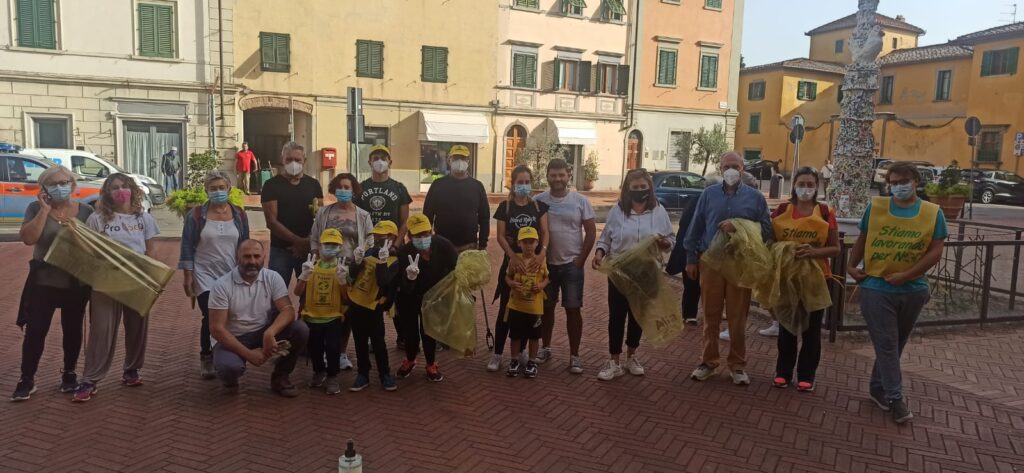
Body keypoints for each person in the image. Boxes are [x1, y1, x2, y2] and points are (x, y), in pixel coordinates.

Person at [847, 162, 946, 424]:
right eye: (893, 182)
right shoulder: (876, 207)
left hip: (913, 290)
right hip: (876, 286)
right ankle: (895, 398)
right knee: (888, 343)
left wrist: (907, 275)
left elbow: (936, 250)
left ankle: (877, 388)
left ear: (915, 182)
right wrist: (851, 266)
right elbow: (863, 238)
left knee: (895, 343)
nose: (898, 186)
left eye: (903, 181)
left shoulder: (932, 213)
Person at [684, 151, 772, 386]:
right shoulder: (709, 194)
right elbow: (696, 225)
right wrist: (691, 258)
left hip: (739, 264)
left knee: (738, 317)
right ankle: (708, 362)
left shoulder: (755, 198)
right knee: (710, 315)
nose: (731, 170)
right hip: (710, 262)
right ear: (720, 168)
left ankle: (737, 365)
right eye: (726, 166)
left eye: (735, 166)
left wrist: (739, 226)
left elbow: (766, 230)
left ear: (743, 169)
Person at [73, 174, 160, 402]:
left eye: (124, 186)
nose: (120, 191)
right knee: (101, 329)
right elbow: (89, 251)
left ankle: (132, 369)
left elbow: (151, 250)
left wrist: (151, 279)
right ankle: (90, 379)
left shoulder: (144, 218)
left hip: (137, 279)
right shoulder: (97, 218)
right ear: (107, 193)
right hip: (106, 282)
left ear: (132, 189)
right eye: (114, 188)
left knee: (137, 326)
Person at [11, 166, 94, 401]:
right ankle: (27, 378)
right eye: (53, 184)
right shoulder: (35, 208)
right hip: (44, 281)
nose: (59, 187)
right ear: (44, 189)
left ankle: (69, 373)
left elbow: (95, 245)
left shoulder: (86, 211)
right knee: (36, 330)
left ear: (73, 185)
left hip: (75, 281)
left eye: (63, 182)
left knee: (72, 329)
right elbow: (28, 239)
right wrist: (44, 211)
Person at [593, 169, 674, 381]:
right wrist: (599, 253)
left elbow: (671, 240)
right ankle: (614, 361)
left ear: (650, 188)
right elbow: (605, 238)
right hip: (620, 271)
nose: (639, 190)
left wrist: (664, 243)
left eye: (643, 187)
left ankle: (632, 356)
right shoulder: (618, 211)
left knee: (638, 315)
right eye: (635, 187)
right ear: (627, 189)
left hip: (646, 271)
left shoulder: (659, 211)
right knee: (617, 316)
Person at [769, 167, 840, 393]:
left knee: (811, 330)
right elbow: (769, 241)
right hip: (787, 278)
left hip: (817, 279)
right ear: (794, 185)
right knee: (786, 327)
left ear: (817, 187)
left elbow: (835, 248)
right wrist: (784, 249)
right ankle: (783, 372)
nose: (806, 188)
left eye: (810, 184)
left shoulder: (825, 212)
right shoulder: (782, 210)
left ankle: (806, 375)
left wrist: (813, 252)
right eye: (802, 183)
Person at [209, 240, 309, 396]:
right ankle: (230, 379)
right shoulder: (221, 285)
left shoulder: (272, 277)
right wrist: (249, 355)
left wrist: (270, 333)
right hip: (234, 337)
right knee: (229, 368)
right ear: (237, 258)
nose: (252, 261)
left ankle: (280, 377)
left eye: (256, 256)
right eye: (247, 256)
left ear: (264, 257)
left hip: (262, 331)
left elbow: (288, 310)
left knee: (300, 329)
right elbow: (217, 329)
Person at [179, 171, 250, 380]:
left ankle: (229, 352)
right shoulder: (196, 215)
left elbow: (245, 244)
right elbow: (187, 245)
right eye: (213, 188)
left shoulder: (239, 214)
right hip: (204, 274)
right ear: (206, 191)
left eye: (221, 188)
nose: (218, 192)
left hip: (231, 273)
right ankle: (207, 355)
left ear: (229, 189)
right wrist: (188, 276)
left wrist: (247, 272)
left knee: (231, 315)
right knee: (211, 315)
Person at [534, 158, 595, 374]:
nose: (557, 179)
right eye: (553, 175)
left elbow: (591, 232)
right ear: (547, 176)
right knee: (546, 309)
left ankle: (574, 356)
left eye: (561, 175)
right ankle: (545, 348)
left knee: (573, 310)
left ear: (568, 175)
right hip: (547, 266)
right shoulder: (538, 201)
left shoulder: (580, 201)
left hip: (571, 266)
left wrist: (580, 260)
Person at [486, 165, 549, 372]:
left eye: (527, 182)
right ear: (513, 184)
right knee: (507, 309)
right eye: (520, 182)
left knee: (527, 310)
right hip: (513, 264)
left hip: (533, 264)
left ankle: (521, 352)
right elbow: (500, 236)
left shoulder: (539, 207)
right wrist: (512, 256)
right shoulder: (505, 207)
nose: (523, 185)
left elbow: (545, 233)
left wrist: (541, 254)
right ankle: (497, 354)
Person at [310, 173, 373, 371]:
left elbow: (370, 240)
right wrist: (316, 260)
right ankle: (324, 350)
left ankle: (342, 353)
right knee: (327, 309)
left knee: (346, 312)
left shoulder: (363, 215)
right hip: (327, 268)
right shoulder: (324, 213)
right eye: (340, 187)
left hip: (352, 269)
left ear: (354, 190)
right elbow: (314, 238)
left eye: (347, 187)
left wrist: (363, 254)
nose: (343, 190)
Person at [357, 145, 412, 347]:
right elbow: (358, 220)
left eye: (384, 157)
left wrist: (395, 245)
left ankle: (403, 336)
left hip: (394, 249)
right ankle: (374, 338)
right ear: (369, 162)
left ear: (390, 162)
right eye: (376, 157)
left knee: (397, 294)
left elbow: (405, 222)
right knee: (372, 292)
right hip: (371, 249)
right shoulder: (361, 188)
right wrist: (365, 247)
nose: (380, 161)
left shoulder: (399, 188)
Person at [395, 213, 458, 382]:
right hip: (409, 298)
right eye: (417, 235)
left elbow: (456, 268)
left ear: (431, 232)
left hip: (433, 296)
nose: (423, 238)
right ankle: (410, 359)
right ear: (410, 236)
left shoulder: (443, 245)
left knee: (429, 331)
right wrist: (409, 278)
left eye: (426, 234)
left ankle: (431, 364)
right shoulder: (405, 252)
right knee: (410, 332)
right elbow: (402, 286)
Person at [346, 221, 401, 392]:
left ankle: (384, 374)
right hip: (356, 302)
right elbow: (353, 274)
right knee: (359, 340)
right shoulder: (369, 251)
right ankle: (363, 373)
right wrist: (356, 261)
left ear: (391, 237)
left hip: (374, 307)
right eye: (376, 236)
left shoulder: (395, 261)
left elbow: (383, 282)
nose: (377, 239)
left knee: (378, 342)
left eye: (381, 237)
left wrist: (382, 261)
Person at [294, 229, 350, 395]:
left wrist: (342, 281)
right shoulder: (311, 266)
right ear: (319, 246)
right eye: (327, 244)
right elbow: (297, 292)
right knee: (314, 348)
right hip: (312, 317)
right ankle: (319, 371)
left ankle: (332, 376)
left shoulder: (341, 269)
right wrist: (304, 276)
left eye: (334, 244)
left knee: (333, 347)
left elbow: (346, 297)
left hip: (333, 317)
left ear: (340, 247)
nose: (330, 247)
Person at [262, 141, 323, 286]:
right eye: (289, 159)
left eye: (297, 159)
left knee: (309, 292)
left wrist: (308, 241)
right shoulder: (271, 185)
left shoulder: (314, 185)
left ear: (304, 161)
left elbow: (321, 217)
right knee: (276, 291)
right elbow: (271, 221)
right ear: (282, 159)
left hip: (309, 249)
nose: (293, 163)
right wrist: (298, 242)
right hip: (281, 249)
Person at [422, 145, 489, 253]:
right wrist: (426, 241)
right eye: (456, 158)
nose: (459, 161)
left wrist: (482, 244)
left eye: (463, 158)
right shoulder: (438, 185)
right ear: (449, 160)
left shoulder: (477, 186)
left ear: (468, 161)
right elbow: (427, 215)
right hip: (441, 246)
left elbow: (484, 217)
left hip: (469, 247)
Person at [504, 227, 549, 379]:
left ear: (537, 243)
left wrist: (541, 286)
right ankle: (514, 360)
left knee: (534, 336)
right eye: (525, 242)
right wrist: (512, 284)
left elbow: (547, 278)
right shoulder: (515, 259)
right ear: (519, 243)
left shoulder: (541, 260)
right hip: (516, 306)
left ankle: (532, 361)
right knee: (515, 335)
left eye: (531, 242)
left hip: (535, 308)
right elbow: (507, 276)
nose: (528, 246)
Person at [665, 194, 701, 326]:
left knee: (691, 284)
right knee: (693, 283)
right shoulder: (699, 203)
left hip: (687, 252)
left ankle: (689, 314)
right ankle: (689, 314)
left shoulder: (694, 205)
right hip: (690, 252)